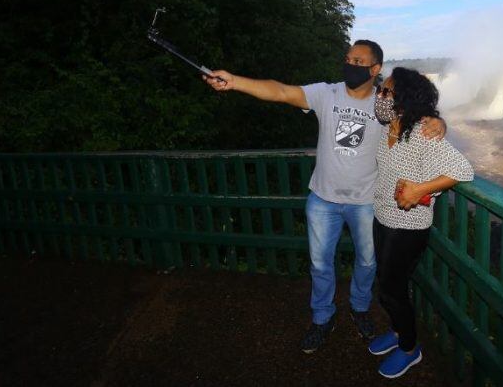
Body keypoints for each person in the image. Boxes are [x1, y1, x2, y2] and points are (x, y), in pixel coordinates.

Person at [203, 40, 446, 353]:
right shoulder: (325, 93)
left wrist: (439, 122)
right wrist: (234, 81)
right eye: (347, 58)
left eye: (358, 60)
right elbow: (279, 91)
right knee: (319, 264)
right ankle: (322, 317)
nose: (350, 64)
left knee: (368, 262)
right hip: (323, 199)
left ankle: (359, 309)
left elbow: (418, 115)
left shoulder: (384, 101)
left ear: (374, 69)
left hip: (366, 201)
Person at [367, 67, 474, 379]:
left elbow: (462, 168)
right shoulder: (388, 127)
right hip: (383, 215)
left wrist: (420, 189)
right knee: (389, 284)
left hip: (409, 225)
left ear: (405, 98)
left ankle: (410, 348)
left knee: (390, 289)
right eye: (380, 91)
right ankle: (399, 332)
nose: (380, 97)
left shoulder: (421, 133)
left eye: (386, 92)